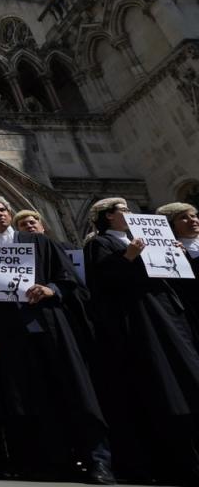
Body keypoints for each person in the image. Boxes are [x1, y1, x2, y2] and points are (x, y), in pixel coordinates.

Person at [0, 196, 115, 484]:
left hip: (51, 326)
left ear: (9, 214)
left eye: (3, 210)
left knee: (76, 391)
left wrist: (50, 290)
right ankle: (56, 461)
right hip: (13, 334)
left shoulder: (40, 243)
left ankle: (98, 460)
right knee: (35, 399)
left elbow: (69, 280)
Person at [84, 198, 199, 484]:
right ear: (108, 216)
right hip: (139, 320)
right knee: (162, 384)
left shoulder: (142, 238)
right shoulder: (100, 244)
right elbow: (103, 283)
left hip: (168, 315)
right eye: (123, 210)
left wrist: (175, 255)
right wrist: (128, 257)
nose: (130, 214)